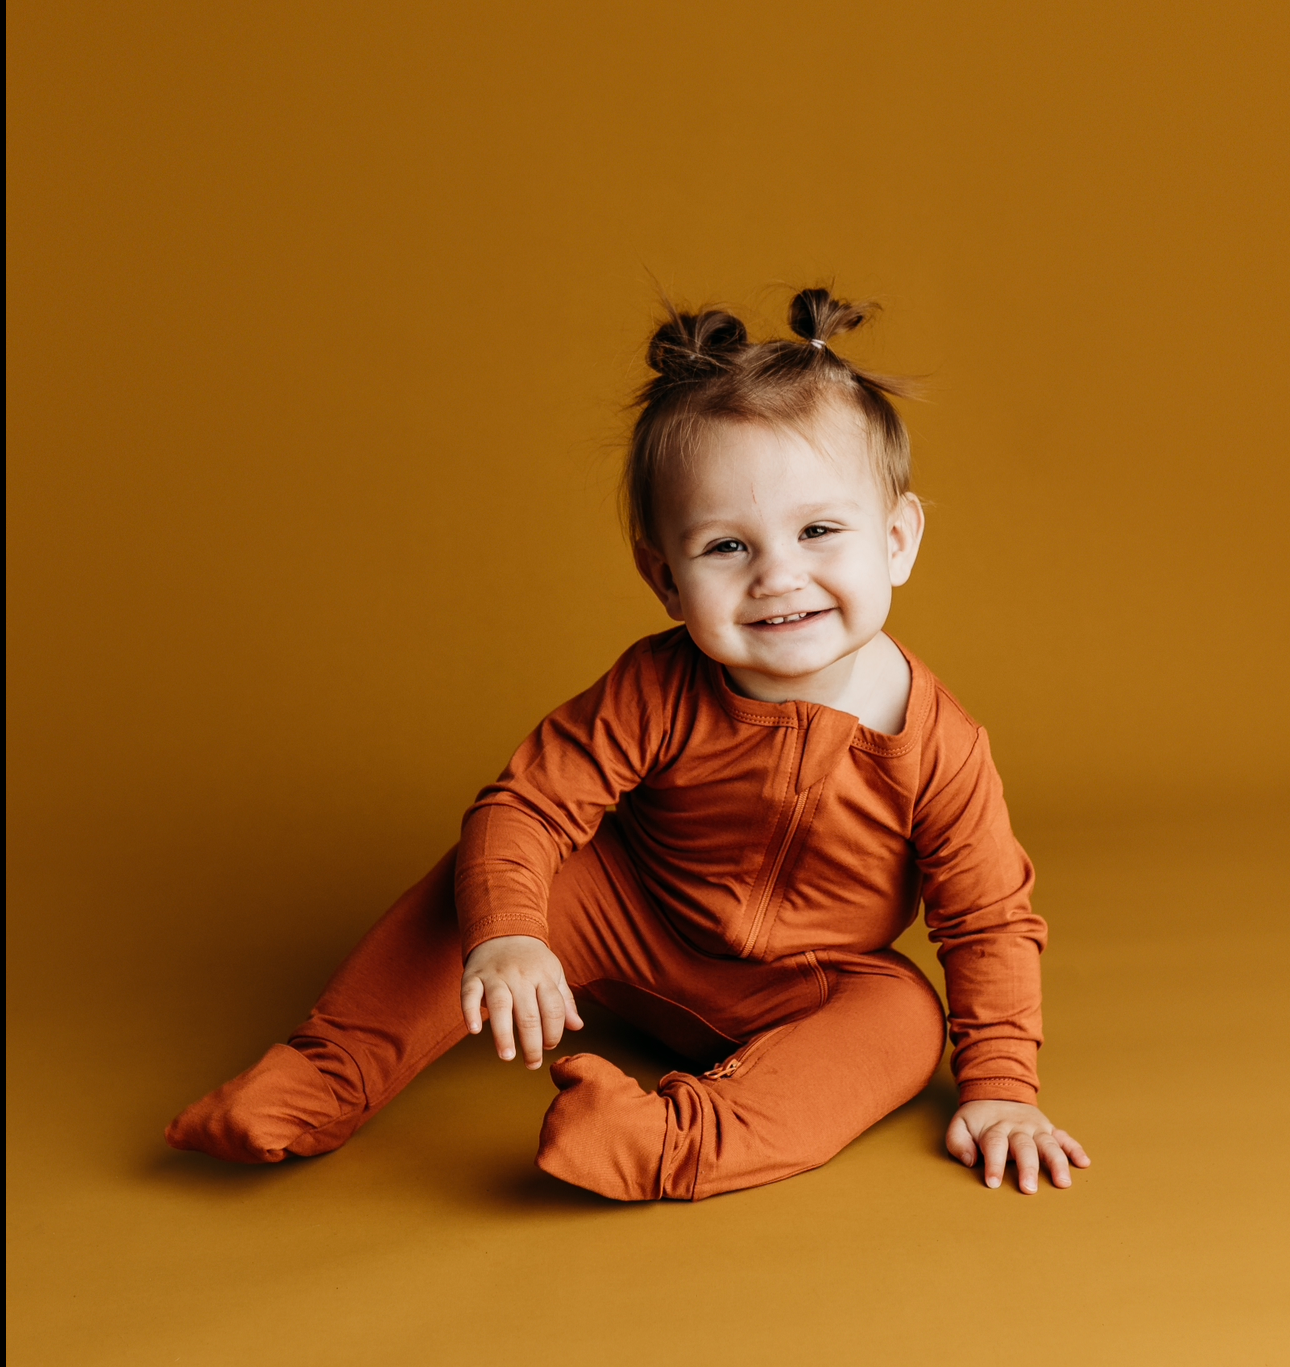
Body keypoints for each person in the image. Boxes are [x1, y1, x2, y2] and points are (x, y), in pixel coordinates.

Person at [166, 288, 1090, 1201]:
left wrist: (1004, 1087)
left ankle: (662, 1142)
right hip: (627, 923)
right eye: (727, 547)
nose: (779, 575)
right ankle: (332, 1070)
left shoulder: (942, 748)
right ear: (664, 578)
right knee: (495, 876)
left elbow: (988, 921)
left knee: (902, 1016)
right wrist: (512, 936)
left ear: (895, 540)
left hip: (801, 982)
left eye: (818, 531)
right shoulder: (657, 686)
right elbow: (526, 804)